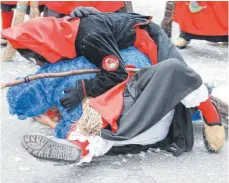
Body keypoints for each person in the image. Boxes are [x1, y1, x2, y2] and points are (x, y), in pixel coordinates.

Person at [2, 7, 224, 164]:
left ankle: (212, 118)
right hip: (123, 57)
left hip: (149, 42)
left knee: (180, 80)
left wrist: (83, 89)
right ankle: (80, 144)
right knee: (111, 104)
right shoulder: (68, 32)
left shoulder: (89, 40)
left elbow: (115, 73)